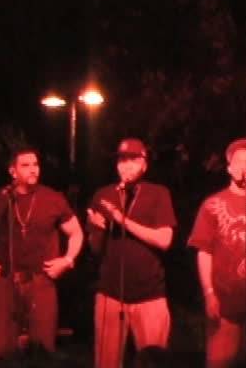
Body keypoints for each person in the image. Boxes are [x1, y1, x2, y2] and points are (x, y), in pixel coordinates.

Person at [0, 147, 83, 360]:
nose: (33, 169)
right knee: (2, 350)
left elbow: (76, 232)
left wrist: (67, 260)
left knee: (42, 350)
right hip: (5, 282)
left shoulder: (52, 198)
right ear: (13, 171)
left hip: (41, 281)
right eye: (26, 165)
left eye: (35, 164)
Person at [86, 138, 177, 368]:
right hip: (110, 293)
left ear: (144, 164)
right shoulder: (103, 195)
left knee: (153, 361)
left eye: (133, 160)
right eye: (122, 160)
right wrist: (96, 230)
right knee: (106, 362)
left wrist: (122, 220)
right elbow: (95, 250)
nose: (126, 165)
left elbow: (164, 240)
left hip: (150, 294)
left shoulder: (158, 193)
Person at [188, 138, 246, 368]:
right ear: (229, 168)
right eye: (238, 161)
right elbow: (204, 251)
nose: (244, 165)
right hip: (225, 306)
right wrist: (209, 293)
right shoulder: (213, 204)